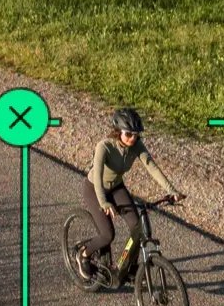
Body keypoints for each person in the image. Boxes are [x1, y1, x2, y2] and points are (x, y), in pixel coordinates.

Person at [76, 108, 185, 279]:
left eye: (136, 134)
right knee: (107, 235)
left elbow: (152, 167)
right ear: (118, 131)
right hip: (94, 189)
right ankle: (83, 255)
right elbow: (97, 177)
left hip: (117, 187)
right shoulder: (104, 147)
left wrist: (171, 190)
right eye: (128, 134)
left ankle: (129, 267)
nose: (133, 138)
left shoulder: (136, 146)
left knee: (137, 227)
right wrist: (104, 202)